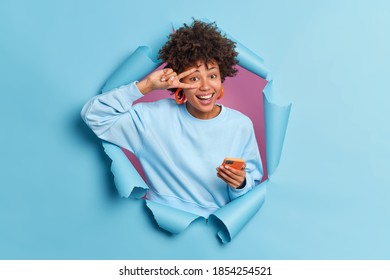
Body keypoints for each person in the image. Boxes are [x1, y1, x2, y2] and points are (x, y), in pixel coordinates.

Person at [81, 20, 263, 217]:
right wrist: (146, 86)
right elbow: (94, 115)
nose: (205, 87)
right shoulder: (152, 117)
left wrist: (241, 184)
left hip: (211, 229)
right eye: (193, 78)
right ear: (179, 81)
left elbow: (249, 198)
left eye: (212, 76)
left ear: (221, 78)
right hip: (157, 221)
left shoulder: (240, 125)